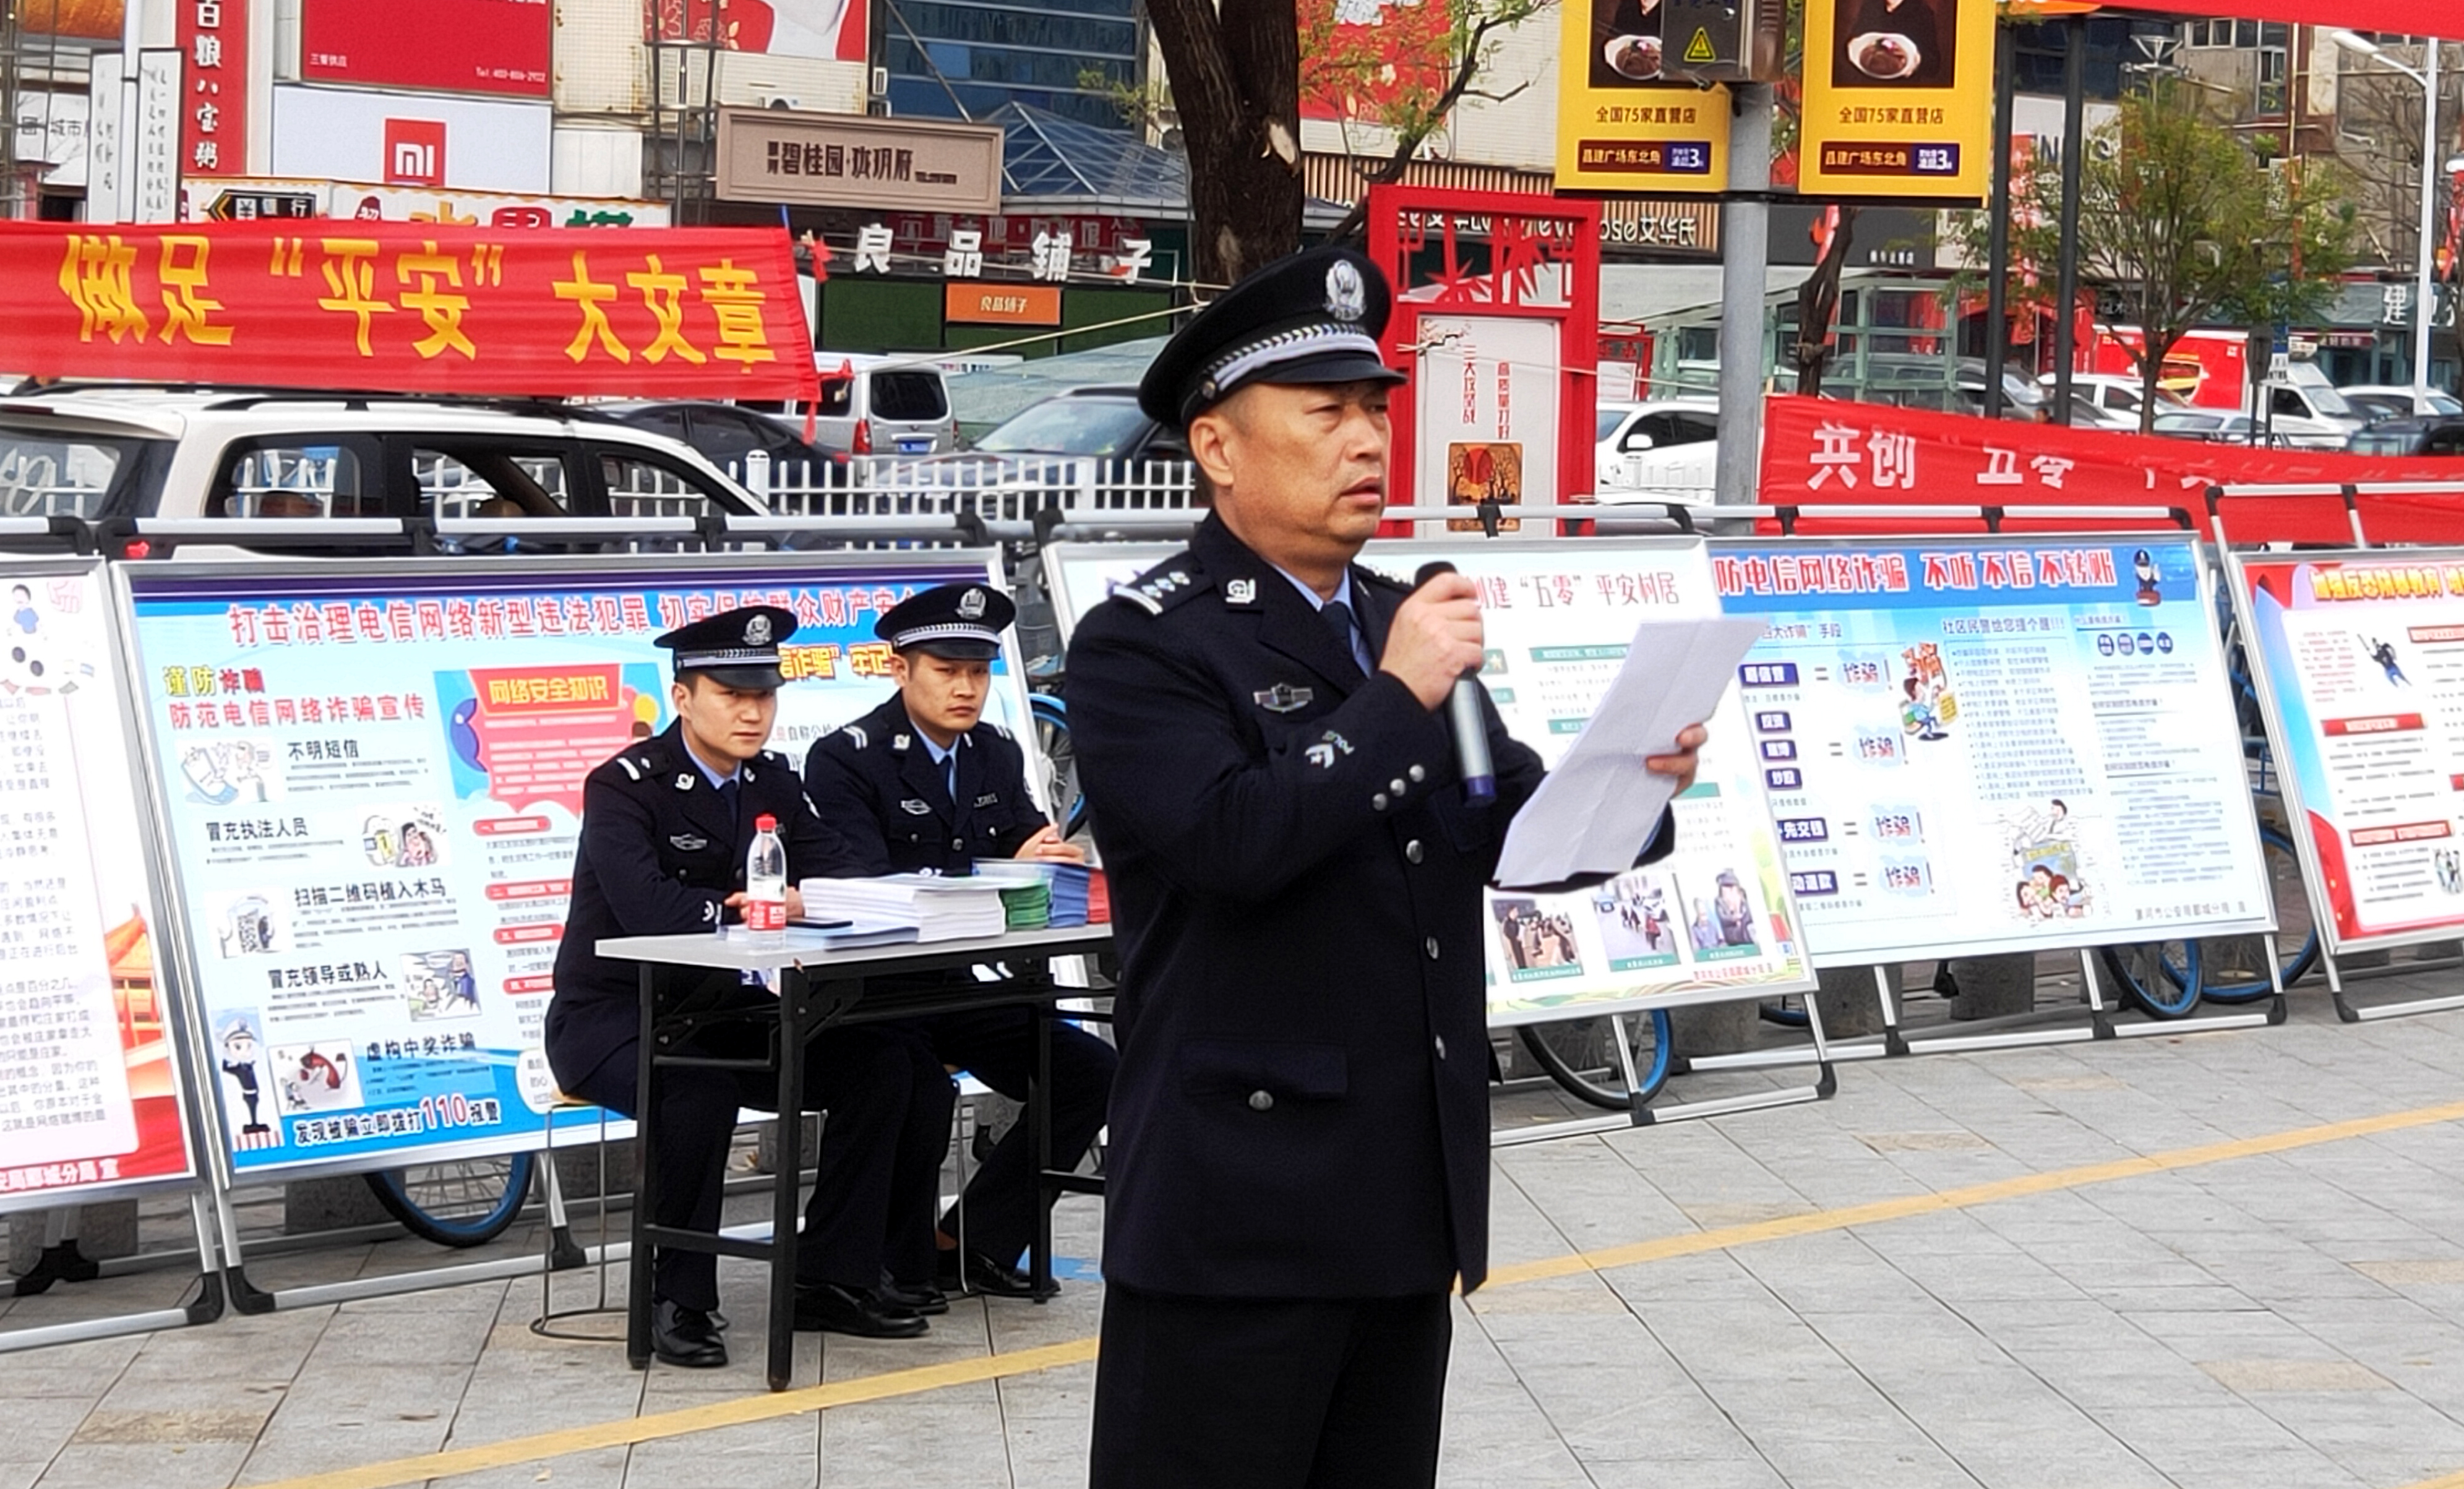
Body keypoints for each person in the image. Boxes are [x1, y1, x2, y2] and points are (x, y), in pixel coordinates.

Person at [1064, 246, 1709, 1489]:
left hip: (1396, 1191)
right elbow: (1233, 842)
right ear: (1217, 448)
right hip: (1234, 1211)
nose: (1364, 438)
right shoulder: (1143, 641)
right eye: (1324, 411)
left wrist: (1631, 784)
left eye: (1375, 407)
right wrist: (1396, 689)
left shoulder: (1390, 611)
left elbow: (1493, 822)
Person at [545, 605, 958, 1369]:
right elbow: (653, 913)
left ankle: (829, 1274)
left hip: (726, 1009)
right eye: (731, 693)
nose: (751, 711)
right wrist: (773, 905)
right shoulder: (625, 785)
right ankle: (680, 1298)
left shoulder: (772, 775)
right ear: (681, 697)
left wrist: (812, 898)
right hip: (616, 1016)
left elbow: (841, 867)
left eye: (763, 695)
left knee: (887, 1063)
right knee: (694, 1092)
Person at [802, 581, 1118, 1299]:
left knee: (1091, 1073)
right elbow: (868, 883)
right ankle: (880, 1260)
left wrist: (1048, 857)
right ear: (899, 668)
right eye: (946, 671)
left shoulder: (994, 752)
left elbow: (1023, 840)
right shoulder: (847, 757)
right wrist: (991, 865)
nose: (965, 688)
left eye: (976, 671)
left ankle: (972, 1240)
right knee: (912, 1082)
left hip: (956, 982)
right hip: (873, 990)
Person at [1838, 0, 1942, 84]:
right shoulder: (1871, 2)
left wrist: (1917, 61)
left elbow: (1934, 67)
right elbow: (1852, 43)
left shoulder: (1923, 13)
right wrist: (1853, 45)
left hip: (1905, 95)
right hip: (1869, 90)